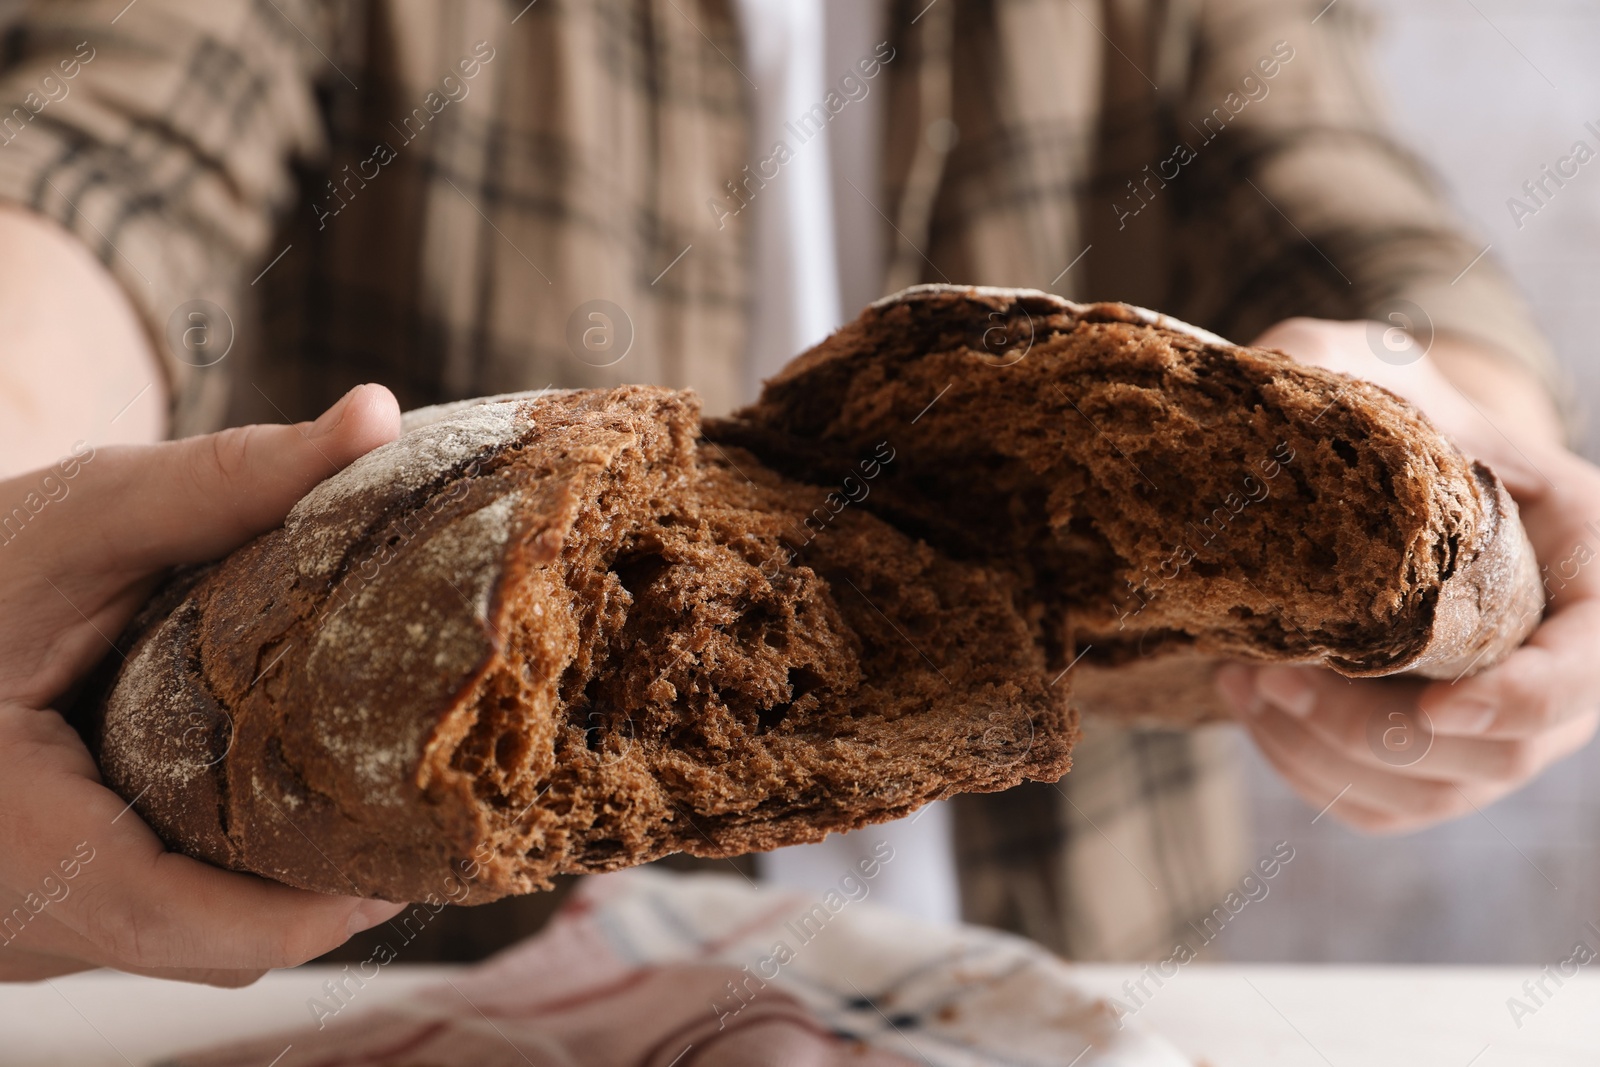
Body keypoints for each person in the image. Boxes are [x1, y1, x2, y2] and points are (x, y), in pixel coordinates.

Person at [1, 0, 1595, 984]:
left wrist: (1474, 432)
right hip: (441, 998)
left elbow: (1361, 223)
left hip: (1052, 983)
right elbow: (96, 172)